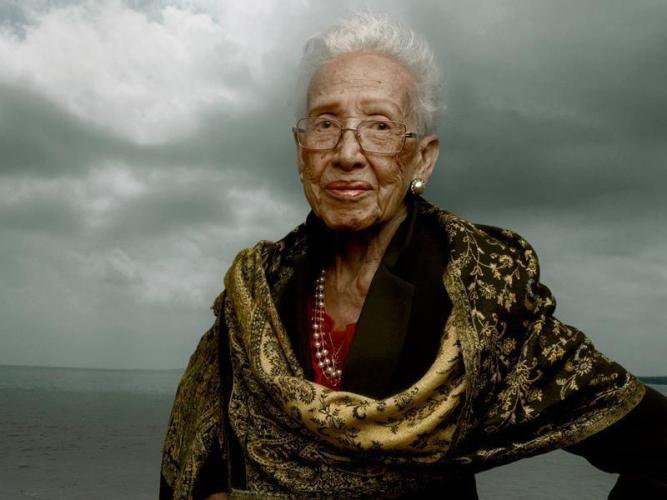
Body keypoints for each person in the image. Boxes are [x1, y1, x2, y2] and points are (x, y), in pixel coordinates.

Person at [160, 13, 667, 500]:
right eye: (325, 124)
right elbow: (198, 459)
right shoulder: (255, 291)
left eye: (379, 126)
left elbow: (659, 447)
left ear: (422, 157)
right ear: (300, 150)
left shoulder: (484, 290)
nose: (347, 152)